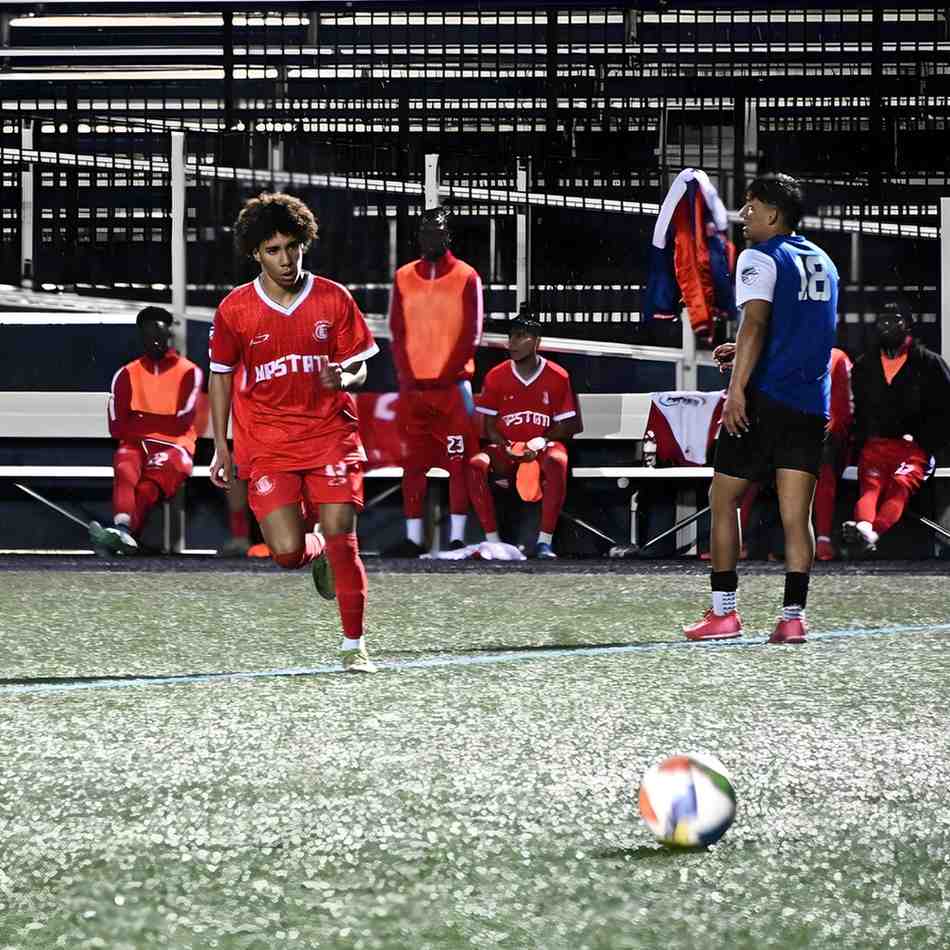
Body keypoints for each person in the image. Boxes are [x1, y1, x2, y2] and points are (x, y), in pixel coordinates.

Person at [208, 192, 380, 673]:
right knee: (285, 553)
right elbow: (220, 375)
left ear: (305, 242)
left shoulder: (333, 297)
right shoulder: (236, 309)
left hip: (331, 435)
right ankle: (315, 548)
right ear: (255, 254)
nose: (285, 259)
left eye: (292, 247)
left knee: (344, 536)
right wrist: (221, 448)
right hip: (266, 442)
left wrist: (343, 378)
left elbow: (360, 369)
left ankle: (354, 646)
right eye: (273, 250)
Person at [683, 173, 838, 644]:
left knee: (723, 499)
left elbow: (755, 323)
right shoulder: (824, 261)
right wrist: (747, 348)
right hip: (810, 405)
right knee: (798, 516)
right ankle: (793, 618)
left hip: (764, 401)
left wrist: (736, 391)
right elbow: (801, 331)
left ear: (774, 213)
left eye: (751, 207)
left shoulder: (758, 255)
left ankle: (724, 613)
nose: (744, 215)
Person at [387, 206, 483, 555]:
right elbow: (397, 330)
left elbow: (471, 332)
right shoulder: (403, 277)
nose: (431, 238)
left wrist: (446, 373)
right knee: (412, 462)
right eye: (425, 232)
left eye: (437, 232)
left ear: (448, 236)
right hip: (415, 389)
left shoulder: (466, 276)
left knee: (458, 460)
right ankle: (413, 539)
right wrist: (407, 375)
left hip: (452, 389)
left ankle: (457, 535)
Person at [710, 342, 852, 561]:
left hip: (804, 431)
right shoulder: (784, 339)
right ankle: (739, 546)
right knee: (739, 476)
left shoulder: (834, 356)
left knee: (813, 472)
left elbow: (839, 411)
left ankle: (819, 542)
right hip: (776, 423)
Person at [89, 307, 203, 555]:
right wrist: (155, 422)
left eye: (160, 336)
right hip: (136, 443)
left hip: (177, 447)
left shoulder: (189, 372)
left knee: (150, 482)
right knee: (124, 462)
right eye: (150, 335)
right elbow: (117, 425)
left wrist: (140, 419)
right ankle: (122, 532)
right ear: (140, 335)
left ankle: (122, 535)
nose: (155, 341)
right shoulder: (127, 374)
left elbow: (182, 422)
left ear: (169, 335)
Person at [467, 312, 582, 558]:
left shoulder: (558, 376)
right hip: (507, 448)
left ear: (537, 341)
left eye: (521, 337)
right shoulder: (496, 375)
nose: (513, 343)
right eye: (510, 337)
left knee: (558, 460)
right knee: (477, 464)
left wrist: (540, 442)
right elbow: (489, 426)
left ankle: (544, 542)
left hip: (543, 446)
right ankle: (493, 541)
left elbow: (567, 426)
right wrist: (505, 446)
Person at [842, 301, 950, 553]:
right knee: (871, 487)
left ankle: (869, 532)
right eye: (882, 320)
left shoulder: (929, 362)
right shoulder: (865, 363)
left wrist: (931, 442)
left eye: (895, 320)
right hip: (876, 442)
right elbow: (856, 405)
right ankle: (867, 530)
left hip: (915, 446)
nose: (887, 326)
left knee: (899, 487)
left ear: (908, 325)